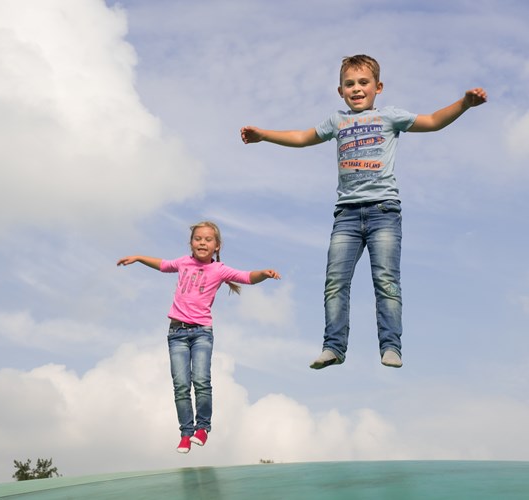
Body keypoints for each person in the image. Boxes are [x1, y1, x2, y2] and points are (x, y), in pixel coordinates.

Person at [240, 54, 487, 370]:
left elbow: (433, 121)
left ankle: (391, 346)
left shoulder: (389, 117)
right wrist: (264, 135)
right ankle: (333, 347)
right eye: (349, 84)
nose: (356, 89)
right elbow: (302, 137)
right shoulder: (337, 122)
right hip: (346, 215)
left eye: (363, 83)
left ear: (378, 87)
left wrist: (463, 103)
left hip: (384, 211)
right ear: (340, 90)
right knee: (335, 281)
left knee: (386, 280)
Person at [117, 221, 281, 453]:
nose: (202, 243)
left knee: (201, 381)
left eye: (207, 240)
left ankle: (202, 428)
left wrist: (264, 274)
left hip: (202, 333)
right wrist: (138, 258)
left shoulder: (219, 269)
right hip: (176, 334)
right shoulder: (184, 263)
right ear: (191, 243)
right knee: (181, 385)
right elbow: (163, 265)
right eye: (198, 239)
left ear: (217, 246)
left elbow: (246, 277)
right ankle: (186, 433)